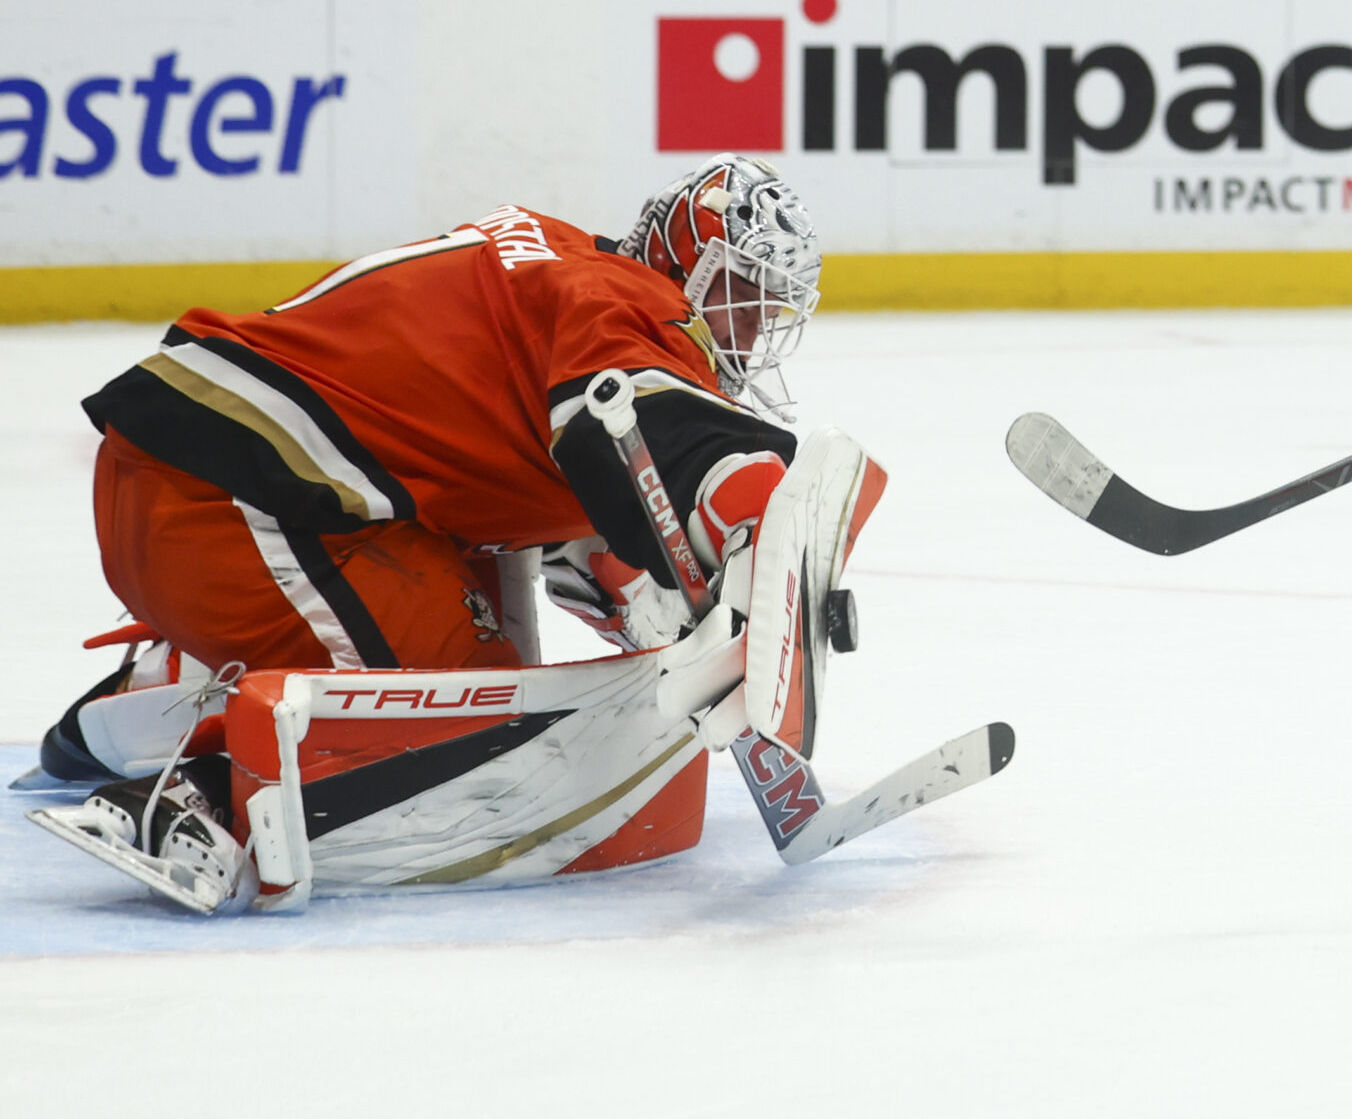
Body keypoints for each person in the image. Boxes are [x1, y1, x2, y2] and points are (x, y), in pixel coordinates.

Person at [30, 156, 835, 901]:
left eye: (767, 310)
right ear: (680, 266)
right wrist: (758, 520)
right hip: (235, 508)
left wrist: (671, 613)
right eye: (738, 293)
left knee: (496, 656)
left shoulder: (567, 262)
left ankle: (156, 687)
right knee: (483, 737)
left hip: (202, 479)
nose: (751, 331)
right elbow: (670, 440)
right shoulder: (621, 312)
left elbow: (566, 510)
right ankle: (201, 796)